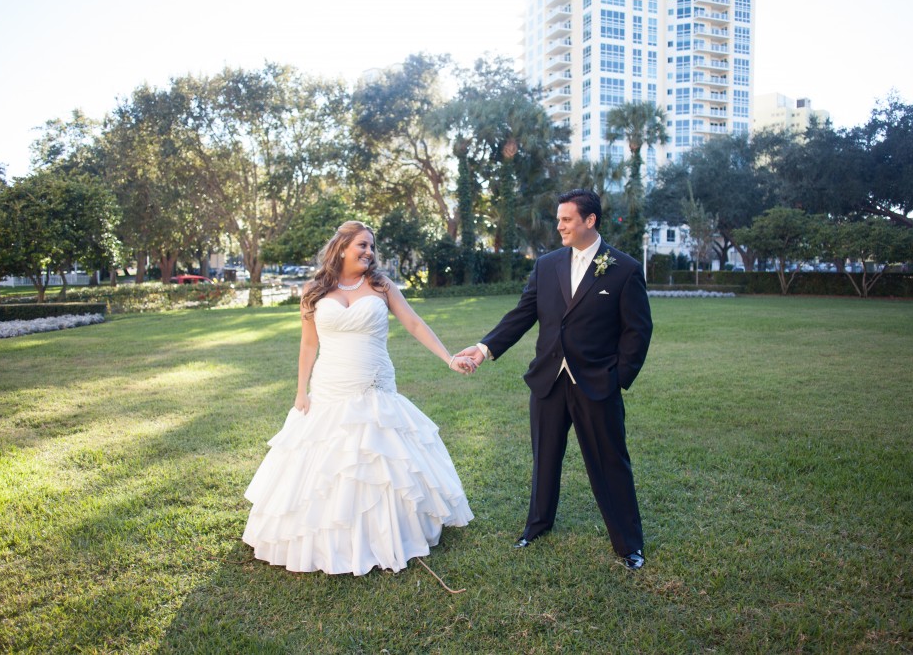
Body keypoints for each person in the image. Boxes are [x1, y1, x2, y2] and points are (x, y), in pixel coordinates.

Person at [243, 221, 476, 576]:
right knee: (327, 463)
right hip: (330, 387)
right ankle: (327, 538)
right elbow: (309, 344)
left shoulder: (381, 286)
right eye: (361, 246)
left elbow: (414, 323)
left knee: (380, 459)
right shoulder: (315, 290)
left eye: (371, 247)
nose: (368, 252)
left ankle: (390, 533)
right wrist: (300, 390)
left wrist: (448, 358)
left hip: (375, 385)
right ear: (341, 248)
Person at [459, 189, 653, 570]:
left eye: (566, 219)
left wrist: (617, 378)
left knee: (610, 462)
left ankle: (629, 544)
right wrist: (483, 349)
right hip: (548, 380)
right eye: (559, 219)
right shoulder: (546, 265)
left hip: (597, 384)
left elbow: (638, 332)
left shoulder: (624, 268)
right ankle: (537, 526)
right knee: (544, 458)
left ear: (589, 220)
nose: (559, 225)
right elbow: (523, 314)